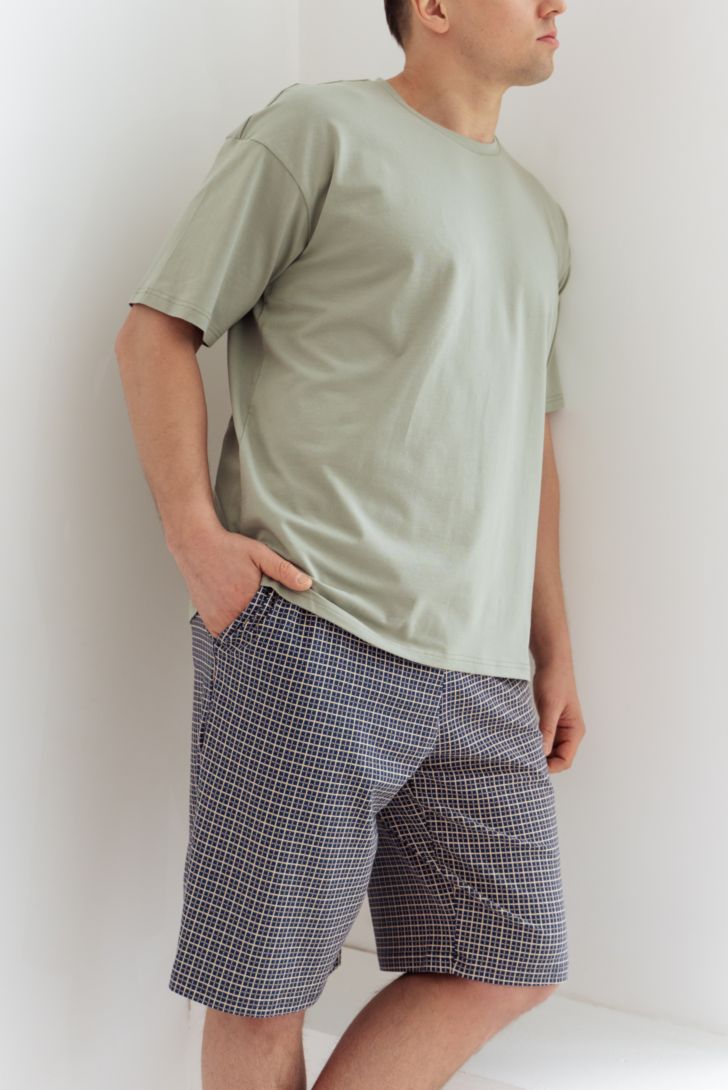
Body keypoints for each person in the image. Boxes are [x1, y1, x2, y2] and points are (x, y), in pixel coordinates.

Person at [115, 0, 586, 1086]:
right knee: (262, 990)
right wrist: (197, 538)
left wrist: (551, 644)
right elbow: (157, 330)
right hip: (310, 630)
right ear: (434, 8)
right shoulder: (316, 131)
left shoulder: (538, 216)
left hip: (480, 671)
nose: (557, 3)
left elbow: (530, 441)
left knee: (505, 963)